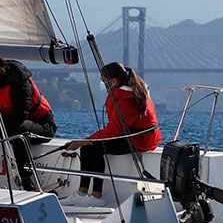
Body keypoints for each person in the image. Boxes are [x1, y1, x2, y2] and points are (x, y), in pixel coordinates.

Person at [64, 62, 161, 197]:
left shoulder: (126, 100)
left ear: (114, 81)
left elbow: (114, 130)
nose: (102, 84)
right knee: (88, 147)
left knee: (92, 147)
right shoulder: (130, 91)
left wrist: (84, 141)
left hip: (139, 141)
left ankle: (96, 196)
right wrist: (85, 141)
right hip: (133, 136)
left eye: (103, 81)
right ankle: (82, 193)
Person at [0, 58, 56, 192]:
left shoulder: (20, 81)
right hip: (10, 124)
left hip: (42, 125)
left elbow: (19, 115)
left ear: (1, 68)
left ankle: (26, 180)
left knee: (20, 131)